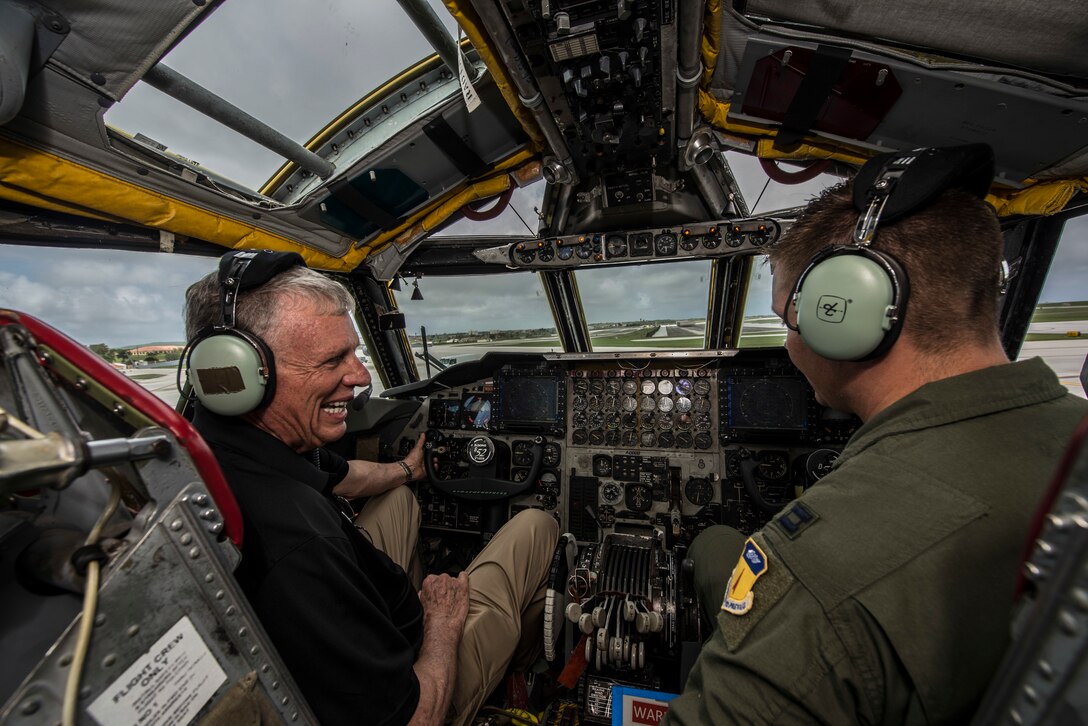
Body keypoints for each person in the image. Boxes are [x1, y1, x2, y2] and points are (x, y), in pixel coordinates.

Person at [664, 146, 1088, 724]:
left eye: (791, 319)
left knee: (711, 541)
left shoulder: (820, 575)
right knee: (719, 545)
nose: (790, 345)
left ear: (844, 314)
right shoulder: (1073, 433)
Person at [183, 256, 559, 726]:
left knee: (398, 498)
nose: (361, 377)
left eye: (356, 353)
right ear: (236, 370)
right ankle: (515, 677)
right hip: (416, 689)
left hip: (369, 621)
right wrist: (441, 626)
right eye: (333, 360)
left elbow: (347, 476)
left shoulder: (223, 447)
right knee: (536, 525)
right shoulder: (297, 546)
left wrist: (407, 469)